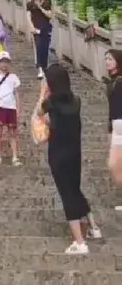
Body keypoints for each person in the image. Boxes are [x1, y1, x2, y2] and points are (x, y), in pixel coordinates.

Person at [33, 63, 102, 254]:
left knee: (67, 194)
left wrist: (42, 93)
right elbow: (60, 121)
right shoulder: (76, 101)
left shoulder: (51, 102)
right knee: (75, 189)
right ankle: (93, 227)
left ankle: (79, 242)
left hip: (58, 153)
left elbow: (39, 112)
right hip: (75, 153)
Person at [0, 52, 21, 166]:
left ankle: (15, 156)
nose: (4, 64)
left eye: (7, 62)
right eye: (2, 61)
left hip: (11, 107)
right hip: (0, 106)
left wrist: (18, 109)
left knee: (12, 132)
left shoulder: (13, 77)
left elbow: (16, 94)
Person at [105, 49, 122, 202]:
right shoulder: (112, 81)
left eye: (110, 59)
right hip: (115, 125)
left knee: (114, 164)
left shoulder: (120, 81)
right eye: (106, 59)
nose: (107, 61)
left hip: (120, 126)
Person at [26, 0, 52, 79]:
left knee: (45, 48)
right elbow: (28, 17)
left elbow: (50, 15)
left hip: (46, 29)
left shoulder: (47, 4)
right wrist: (31, 27)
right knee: (38, 46)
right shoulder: (30, 5)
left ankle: (45, 67)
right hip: (36, 29)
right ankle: (40, 68)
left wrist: (40, 7)